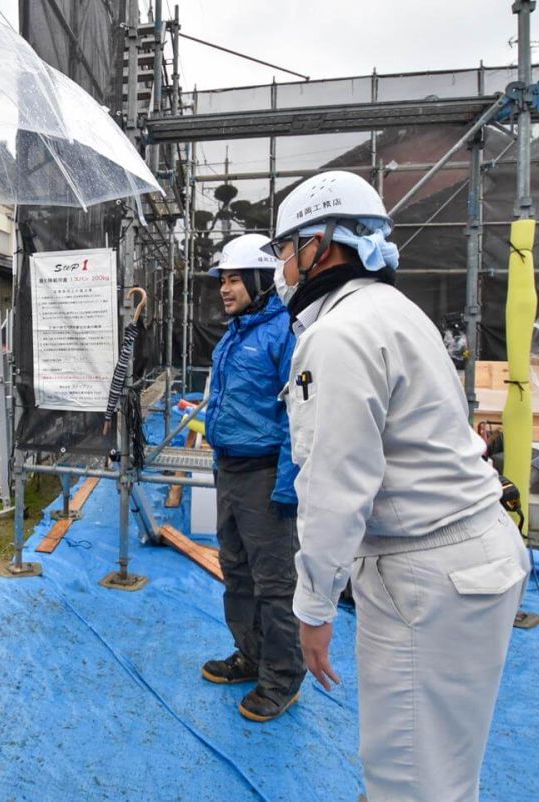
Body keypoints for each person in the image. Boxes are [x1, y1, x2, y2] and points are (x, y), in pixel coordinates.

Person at [272, 171, 528, 802]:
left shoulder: (336, 336)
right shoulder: (395, 311)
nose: (279, 265)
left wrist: (313, 607)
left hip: (424, 574)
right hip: (473, 555)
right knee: (442, 760)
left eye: (284, 248)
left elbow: (335, 486)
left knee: (410, 775)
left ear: (319, 244)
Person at [200, 233, 304, 723]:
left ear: (261, 280)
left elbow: (296, 421)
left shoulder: (286, 335)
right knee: (236, 572)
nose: (225, 288)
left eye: (235, 278)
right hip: (231, 472)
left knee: (274, 583)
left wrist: (286, 485)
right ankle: (251, 655)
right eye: (222, 279)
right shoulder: (234, 334)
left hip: (265, 477)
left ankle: (282, 679)